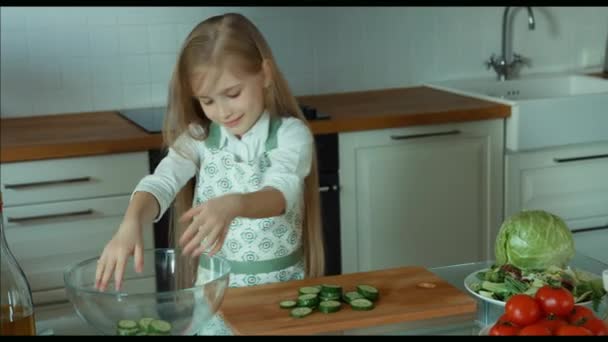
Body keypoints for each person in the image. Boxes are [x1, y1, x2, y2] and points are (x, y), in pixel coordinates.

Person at [93, 12, 325, 335]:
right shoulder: (199, 140)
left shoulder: (290, 135)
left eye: (233, 93)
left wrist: (233, 205)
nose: (223, 111)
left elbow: (281, 191)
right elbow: (161, 181)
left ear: (265, 74)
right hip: (216, 299)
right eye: (207, 101)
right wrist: (132, 221)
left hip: (280, 296)